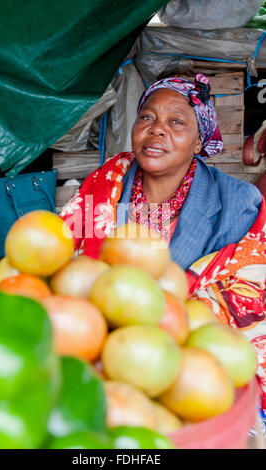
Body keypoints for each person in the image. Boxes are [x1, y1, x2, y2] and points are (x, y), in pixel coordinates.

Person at [60, 73, 266, 428]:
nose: (157, 130)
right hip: (101, 351)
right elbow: (66, 263)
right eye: (147, 117)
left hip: (190, 369)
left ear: (200, 141)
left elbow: (247, 294)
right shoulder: (108, 182)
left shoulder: (239, 202)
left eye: (176, 122)